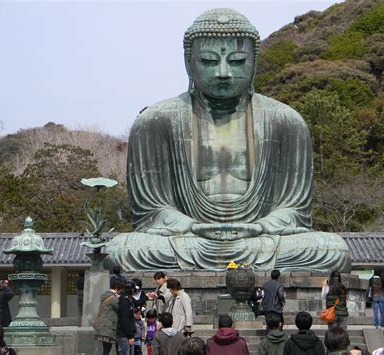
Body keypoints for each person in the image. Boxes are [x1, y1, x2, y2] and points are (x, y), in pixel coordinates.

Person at [105, 8, 351, 273]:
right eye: (209, 61)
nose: (223, 72)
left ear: (254, 63)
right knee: (121, 250)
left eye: (236, 60)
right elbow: (151, 211)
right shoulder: (155, 122)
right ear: (189, 63)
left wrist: (261, 226)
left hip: (260, 239)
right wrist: (191, 226)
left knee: (332, 250)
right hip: (189, 240)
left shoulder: (286, 121)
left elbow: (295, 210)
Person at [94, 279, 125, 355]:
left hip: (104, 326)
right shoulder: (113, 299)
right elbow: (122, 309)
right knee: (108, 350)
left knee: (106, 350)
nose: (121, 291)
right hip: (108, 327)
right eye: (121, 288)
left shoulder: (106, 295)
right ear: (117, 287)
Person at [117, 280, 137, 355]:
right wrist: (130, 336)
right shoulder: (124, 302)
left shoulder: (127, 300)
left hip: (127, 335)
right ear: (132, 290)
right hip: (125, 336)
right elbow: (125, 320)